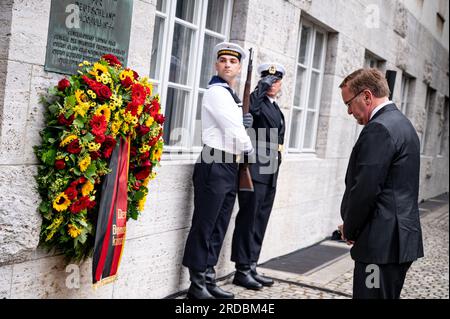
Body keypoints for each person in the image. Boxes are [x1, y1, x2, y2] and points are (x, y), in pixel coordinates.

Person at [339, 68, 424, 299]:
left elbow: (365, 190)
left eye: (349, 103)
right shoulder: (402, 123)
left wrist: (350, 228)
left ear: (367, 96)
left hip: (380, 246)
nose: (349, 111)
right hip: (397, 240)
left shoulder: (379, 128)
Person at [182, 42, 255, 299]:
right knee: (205, 224)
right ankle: (196, 284)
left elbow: (236, 125)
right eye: (223, 60)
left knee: (219, 224)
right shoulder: (216, 92)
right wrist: (249, 147)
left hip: (228, 165)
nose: (227, 64)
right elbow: (233, 132)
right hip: (214, 162)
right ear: (216, 65)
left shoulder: (231, 96)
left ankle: (209, 277)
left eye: (233, 61)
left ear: (239, 67)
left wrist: (246, 119)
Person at [231, 63, 286, 290]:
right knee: (249, 218)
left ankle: (251, 265)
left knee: (260, 219)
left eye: (276, 81)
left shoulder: (275, 106)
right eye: (268, 80)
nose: (272, 84)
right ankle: (242, 270)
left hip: (271, 170)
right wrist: (259, 89)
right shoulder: (258, 103)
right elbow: (248, 109)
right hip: (255, 170)